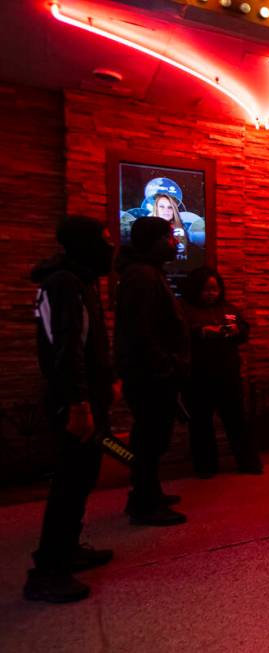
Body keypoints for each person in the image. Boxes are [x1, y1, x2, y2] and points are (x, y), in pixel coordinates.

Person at [24, 217, 116, 603]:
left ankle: (68, 549)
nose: (111, 248)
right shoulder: (64, 283)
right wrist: (78, 401)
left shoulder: (81, 280)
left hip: (86, 395)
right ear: (85, 244)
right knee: (69, 481)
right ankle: (48, 570)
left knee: (82, 477)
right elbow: (66, 347)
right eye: (104, 240)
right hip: (73, 399)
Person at [114, 217, 189, 526]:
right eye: (170, 236)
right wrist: (164, 366)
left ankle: (149, 493)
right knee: (149, 438)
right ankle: (144, 502)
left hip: (151, 372)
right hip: (150, 375)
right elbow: (141, 331)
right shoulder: (143, 276)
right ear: (154, 241)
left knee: (154, 437)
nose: (175, 241)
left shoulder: (146, 272)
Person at [179, 267, 262, 477]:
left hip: (228, 375)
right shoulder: (183, 309)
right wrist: (201, 332)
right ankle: (206, 467)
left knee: (237, 420)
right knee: (200, 424)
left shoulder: (227, 308)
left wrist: (236, 330)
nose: (211, 294)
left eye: (215, 289)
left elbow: (244, 330)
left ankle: (248, 462)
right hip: (197, 377)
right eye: (206, 289)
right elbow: (176, 336)